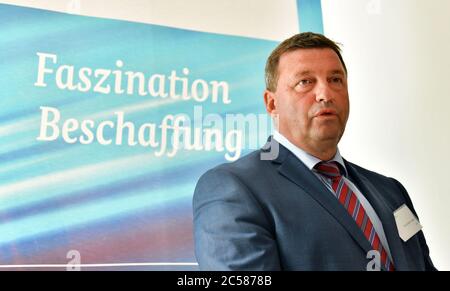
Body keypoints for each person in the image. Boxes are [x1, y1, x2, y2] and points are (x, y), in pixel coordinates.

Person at [192, 32, 436, 271]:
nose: (325, 94)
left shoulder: (391, 191)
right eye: (305, 82)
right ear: (272, 103)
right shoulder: (233, 188)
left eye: (335, 80)